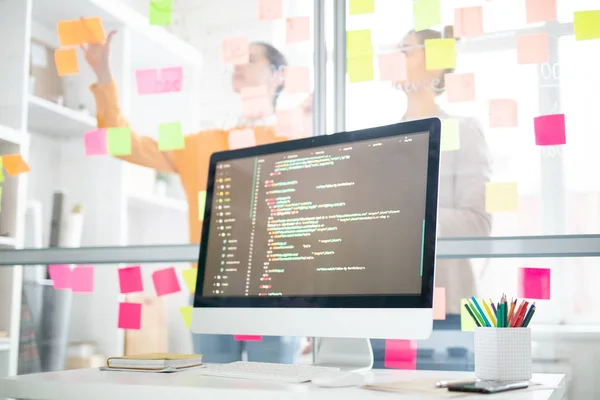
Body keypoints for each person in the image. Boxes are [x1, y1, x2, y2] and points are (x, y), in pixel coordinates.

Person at [82, 31, 306, 364]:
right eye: (237, 59)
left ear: (278, 75)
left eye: (251, 58)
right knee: (212, 387)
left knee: (273, 389)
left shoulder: (298, 139)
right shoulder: (202, 144)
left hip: (275, 291)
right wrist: (103, 75)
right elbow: (122, 143)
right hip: (210, 291)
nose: (239, 65)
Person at [372, 26, 492, 370]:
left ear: (437, 64)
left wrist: (408, 217)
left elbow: (478, 223)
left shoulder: (463, 131)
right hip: (389, 312)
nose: (396, 57)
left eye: (406, 50)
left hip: (447, 310)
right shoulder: (384, 142)